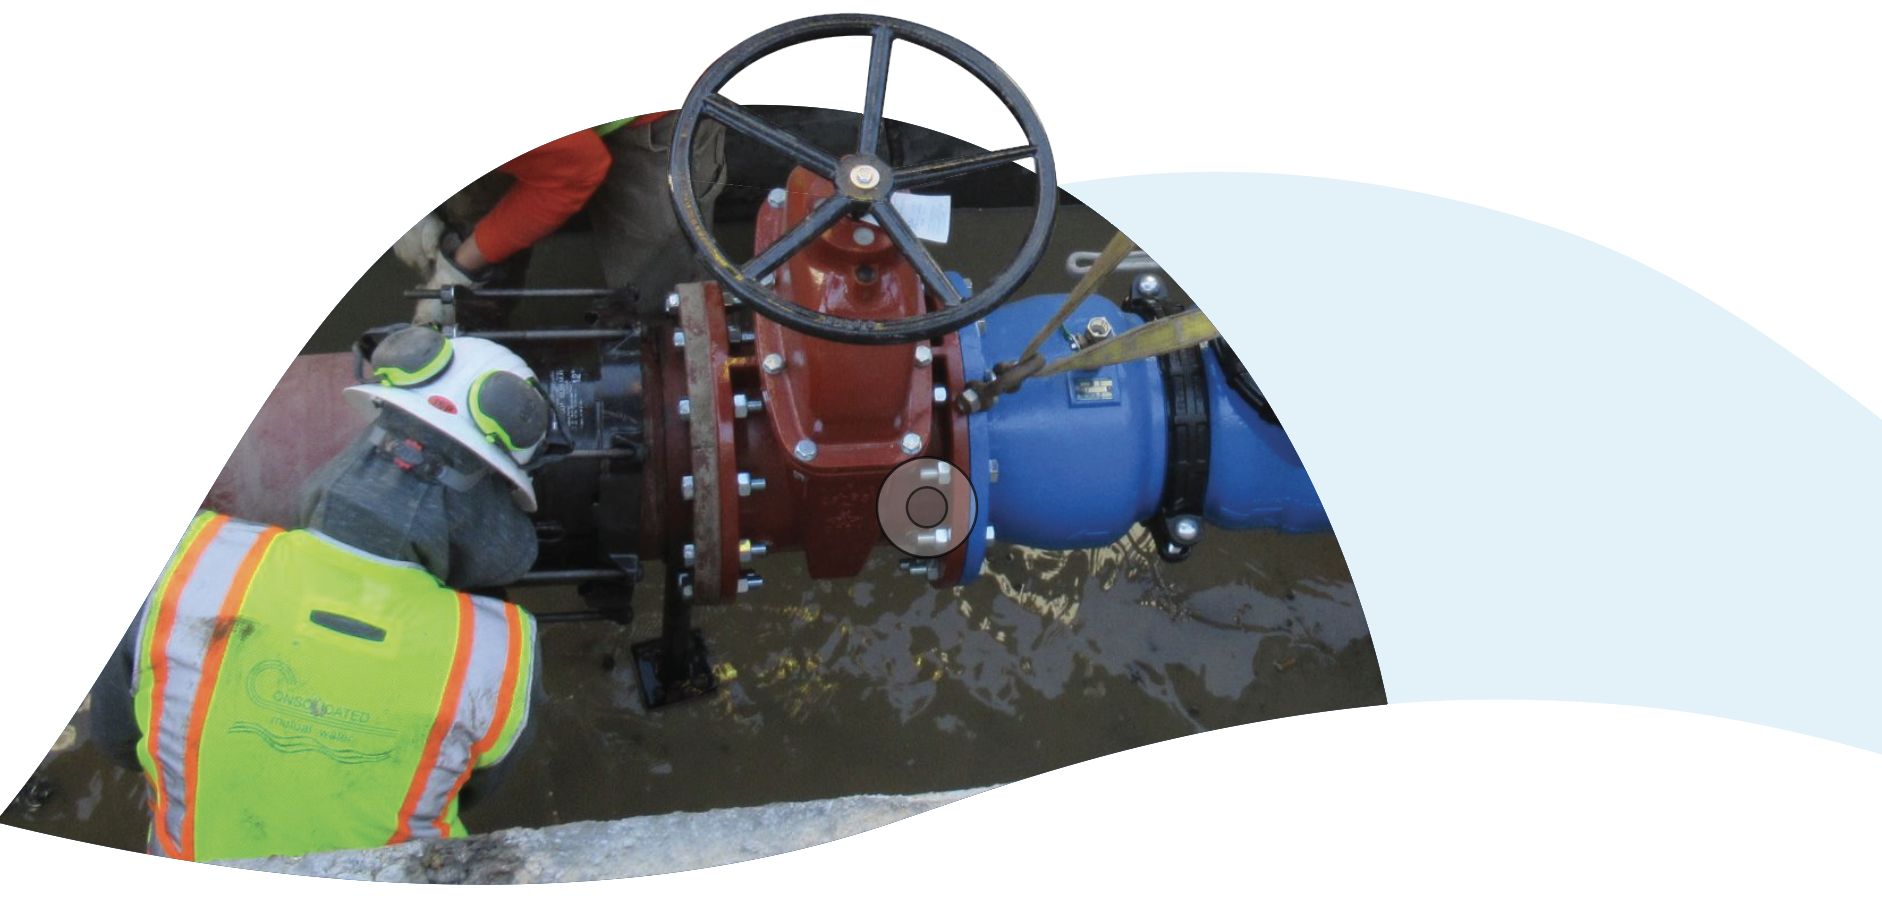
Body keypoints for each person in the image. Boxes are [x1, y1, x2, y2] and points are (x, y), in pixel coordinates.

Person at [90, 327, 551, 862]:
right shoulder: (500, 653)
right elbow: (473, 790)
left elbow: (117, 740)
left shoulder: (183, 562)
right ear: (492, 499)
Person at [395, 113, 727, 324]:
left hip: (652, 114)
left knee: (658, 292)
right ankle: (475, 323)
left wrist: (457, 270)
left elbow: (577, 172)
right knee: (468, 212)